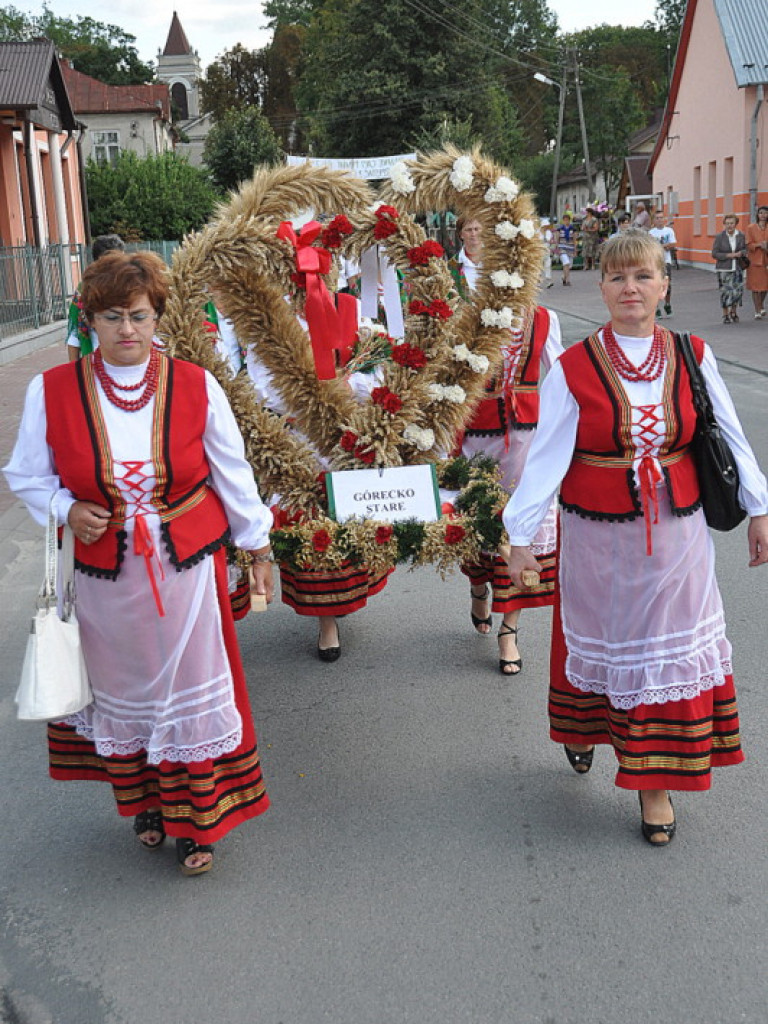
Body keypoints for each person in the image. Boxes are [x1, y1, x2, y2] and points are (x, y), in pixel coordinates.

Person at [4, 251, 274, 876]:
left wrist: (257, 547)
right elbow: (25, 473)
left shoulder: (196, 384)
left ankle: (198, 820)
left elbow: (233, 475)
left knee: (185, 694)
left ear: (158, 318)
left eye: (139, 316)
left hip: (185, 572)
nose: (127, 329)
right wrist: (66, 507)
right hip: (104, 578)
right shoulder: (54, 389)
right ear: (90, 321)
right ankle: (147, 805)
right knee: (127, 696)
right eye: (112, 317)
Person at [503, 229, 768, 846]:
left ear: (664, 285)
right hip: (599, 540)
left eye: (643, 276)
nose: (631, 288)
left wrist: (760, 507)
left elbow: (728, 434)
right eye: (619, 277)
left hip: (679, 536)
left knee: (660, 655)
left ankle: (655, 785)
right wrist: (520, 538)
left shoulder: (692, 352)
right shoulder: (573, 368)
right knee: (607, 645)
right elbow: (545, 459)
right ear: (601, 288)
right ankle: (585, 728)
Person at [459, 305, 564, 674]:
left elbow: (562, 375)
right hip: (476, 437)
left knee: (521, 529)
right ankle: (477, 588)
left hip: (527, 441)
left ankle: (509, 630)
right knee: (477, 522)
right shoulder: (470, 311)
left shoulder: (544, 318)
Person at [66, 234, 125, 360]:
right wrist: (74, 371)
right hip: (93, 363)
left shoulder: (134, 289)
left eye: (119, 261)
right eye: (109, 262)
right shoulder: (84, 292)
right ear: (98, 262)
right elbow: (75, 335)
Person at [711, 215, 748, 324]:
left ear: (736, 224)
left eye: (731, 223)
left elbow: (745, 249)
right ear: (724, 224)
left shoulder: (741, 235)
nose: (729, 226)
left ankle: (734, 311)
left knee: (737, 291)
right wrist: (729, 255)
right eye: (727, 223)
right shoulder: (719, 237)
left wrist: (742, 253)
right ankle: (725, 314)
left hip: (737, 267)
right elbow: (714, 254)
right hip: (724, 268)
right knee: (726, 292)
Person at [648, 209, 676, 318]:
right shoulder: (651, 233)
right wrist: (663, 246)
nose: (660, 220)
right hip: (655, 262)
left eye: (661, 218)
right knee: (655, 284)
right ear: (654, 220)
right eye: (657, 218)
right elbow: (650, 247)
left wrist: (662, 246)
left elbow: (673, 244)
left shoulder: (669, 231)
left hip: (666, 261)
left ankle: (667, 304)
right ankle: (656, 307)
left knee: (667, 284)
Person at [448, 216, 483, 293]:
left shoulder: (497, 260)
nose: (473, 233)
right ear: (461, 235)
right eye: (468, 230)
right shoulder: (451, 267)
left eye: (476, 229)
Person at [745, 205, 768, 318]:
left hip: (766, 261)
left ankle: (761, 305)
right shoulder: (751, 228)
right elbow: (748, 244)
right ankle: (757, 310)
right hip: (754, 261)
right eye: (761, 213)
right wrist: (759, 245)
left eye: (765, 213)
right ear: (757, 215)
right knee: (755, 287)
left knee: (765, 287)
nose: (763, 215)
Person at [555, 214, 575, 285]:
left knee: (568, 265)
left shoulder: (572, 229)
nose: (566, 221)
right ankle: (568, 280)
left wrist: (575, 250)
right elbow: (557, 240)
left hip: (570, 248)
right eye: (565, 220)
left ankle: (564, 277)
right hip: (562, 248)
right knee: (566, 262)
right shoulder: (559, 229)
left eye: (568, 220)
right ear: (563, 221)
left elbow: (574, 240)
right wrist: (557, 248)